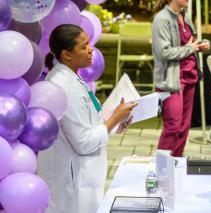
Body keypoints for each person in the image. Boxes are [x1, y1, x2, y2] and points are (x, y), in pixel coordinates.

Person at [37, 24, 137, 213]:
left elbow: (89, 120)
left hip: (82, 175)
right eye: (83, 46)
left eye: (89, 43)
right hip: (72, 182)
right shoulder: (64, 85)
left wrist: (116, 123)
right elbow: (83, 142)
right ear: (67, 55)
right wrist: (115, 118)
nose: (91, 49)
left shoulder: (72, 77)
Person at [152, 0, 210, 157]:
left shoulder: (185, 15)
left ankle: (175, 164)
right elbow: (163, 52)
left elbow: (190, 42)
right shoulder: (162, 19)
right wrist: (191, 48)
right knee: (173, 126)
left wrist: (202, 44)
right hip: (171, 81)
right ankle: (162, 168)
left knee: (184, 127)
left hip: (189, 77)